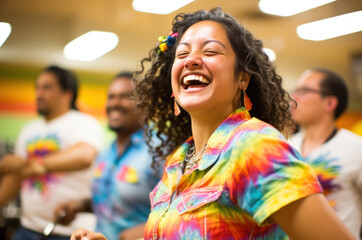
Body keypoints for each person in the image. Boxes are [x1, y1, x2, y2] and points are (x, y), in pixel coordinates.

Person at [71, 7, 356, 240]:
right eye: (182, 54)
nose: (192, 59)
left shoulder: (256, 146)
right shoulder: (178, 160)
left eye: (210, 51)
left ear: (242, 78)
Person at [0, 65, 103, 240]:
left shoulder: (83, 122)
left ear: (67, 93)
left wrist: (34, 164)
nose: (39, 94)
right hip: (27, 228)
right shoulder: (29, 130)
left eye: (46, 88)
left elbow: (84, 155)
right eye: (37, 88)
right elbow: (18, 175)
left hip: (71, 233)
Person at [54, 72, 161, 240]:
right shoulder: (107, 153)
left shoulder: (162, 150)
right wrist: (80, 205)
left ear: (146, 104)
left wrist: (147, 229)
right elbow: (114, 199)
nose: (114, 103)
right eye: (111, 96)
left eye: (126, 96)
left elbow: (183, 209)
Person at [289, 68, 362, 239]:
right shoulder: (285, 146)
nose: (294, 98)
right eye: (295, 90)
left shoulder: (355, 148)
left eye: (304, 91)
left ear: (330, 103)